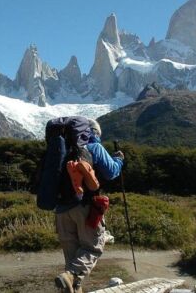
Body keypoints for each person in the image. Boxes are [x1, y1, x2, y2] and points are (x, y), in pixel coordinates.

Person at [54, 119, 124, 293]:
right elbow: (111, 172)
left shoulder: (61, 151)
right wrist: (119, 160)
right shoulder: (94, 147)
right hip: (84, 207)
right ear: (94, 133)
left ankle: (71, 283)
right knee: (92, 247)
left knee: (72, 259)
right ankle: (71, 276)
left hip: (61, 210)